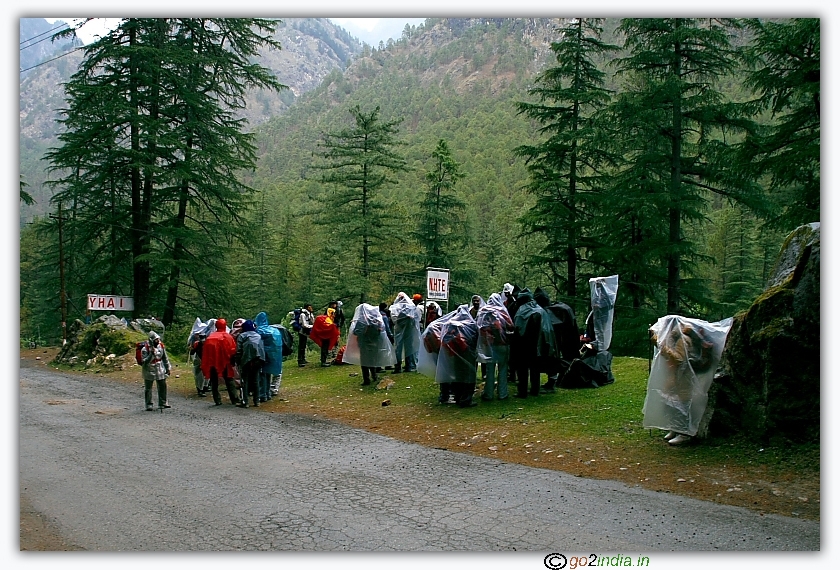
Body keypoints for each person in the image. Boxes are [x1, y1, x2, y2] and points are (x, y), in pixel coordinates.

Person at [512, 288, 558, 398]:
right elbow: (547, 330)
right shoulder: (540, 310)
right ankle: (534, 390)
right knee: (534, 368)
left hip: (523, 344)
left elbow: (517, 328)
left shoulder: (521, 311)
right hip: (537, 344)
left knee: (522, 369)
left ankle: (522, 392)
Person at [342, 303, 397, 386]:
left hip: (364, 343)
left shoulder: (362, 321)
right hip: (375, 343)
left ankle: (366, 379)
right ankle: (374, 376)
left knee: (364, 362)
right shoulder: (377, 320)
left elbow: (356, 332)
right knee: (373, 359)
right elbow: (382, 330)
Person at [477, 293, 514, 401]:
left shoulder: (483, 312)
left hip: (489, 345)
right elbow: (511, 325)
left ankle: (488, 394)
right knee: (502, 369)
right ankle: (502, 393)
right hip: (502, 344)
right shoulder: (502, 311)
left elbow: (478, 327)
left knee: (490, 369)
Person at [201, 318, 240, 406]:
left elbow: (205, 353)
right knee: (229, 380)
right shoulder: (228, 337)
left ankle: (217, 400)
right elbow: (233, 350)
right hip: (225, 363)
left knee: (214, 382)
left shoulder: (210, 337)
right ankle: (234, 399)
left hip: (212, 364)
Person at [235, 319, 265, 407]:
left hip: (246, 361)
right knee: (256, 380)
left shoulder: (242, 336)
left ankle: (245, 401)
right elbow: (261, 349)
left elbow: (239, 350)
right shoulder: (258, 336)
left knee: (245, 381)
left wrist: (237, 360)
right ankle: (257, 401)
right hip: (258, 360)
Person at [390, 292, 422, 374]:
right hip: (409, 330)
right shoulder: (413, 308)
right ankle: (409, 365)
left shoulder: (395, 308)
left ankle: (399, 367)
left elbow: (394, 319)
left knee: (399, 348)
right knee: (409, 347)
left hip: (400, 330)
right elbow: (415, 320)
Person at [255, 311, 283, 402]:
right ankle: (268, 393)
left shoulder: (259, 331)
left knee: (263, 375)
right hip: (274, 356)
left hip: (263, 356)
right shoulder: (275, 330)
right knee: (268, 374)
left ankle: (263, 394)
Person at [141, 331, 171, 410]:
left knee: (162, 385)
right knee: (148, 388)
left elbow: (165, 357)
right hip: (149, 369)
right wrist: (151, 354)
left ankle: (163, 402)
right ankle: (149, 404)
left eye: (158, 339)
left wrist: (168, 368)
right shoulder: (145, 349)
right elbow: (145, 361)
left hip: (159, 368)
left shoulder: (161, 346)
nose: (157, 341)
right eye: (156, 340)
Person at [469, 295, 487, 381]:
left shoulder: (483, 311)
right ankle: (473, 372)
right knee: (474, 356)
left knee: (483, 355)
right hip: (473, 336)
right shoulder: (470, 311)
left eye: (477, 301)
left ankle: (484, 374)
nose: (476, 302)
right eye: (474, 301)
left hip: (482, 336)